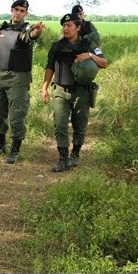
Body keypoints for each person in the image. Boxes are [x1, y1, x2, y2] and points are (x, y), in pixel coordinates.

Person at [40, 13, 108, 172]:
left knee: (80, 124)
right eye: (64, 26)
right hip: (60, 91)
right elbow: (50, 67)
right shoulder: (57, 46)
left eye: (69, 25)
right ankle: (63, 159)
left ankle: (75, 154)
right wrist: (44, 88)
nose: (66, 28)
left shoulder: (88, 44)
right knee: (60, 125)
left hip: (81, 92)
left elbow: (104, 63)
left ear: (78, 28)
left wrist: (89, 55)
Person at [0, 0, 46, 164]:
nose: (18, 13)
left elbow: (32, 36)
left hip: (18, 78)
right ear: (11, 10)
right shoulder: (3, 28)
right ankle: (0, 143)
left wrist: (37, 31)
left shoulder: (27, 29)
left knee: (16, 115)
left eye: (22, 11)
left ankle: (15, 149)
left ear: (26, 13)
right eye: (16, 9)